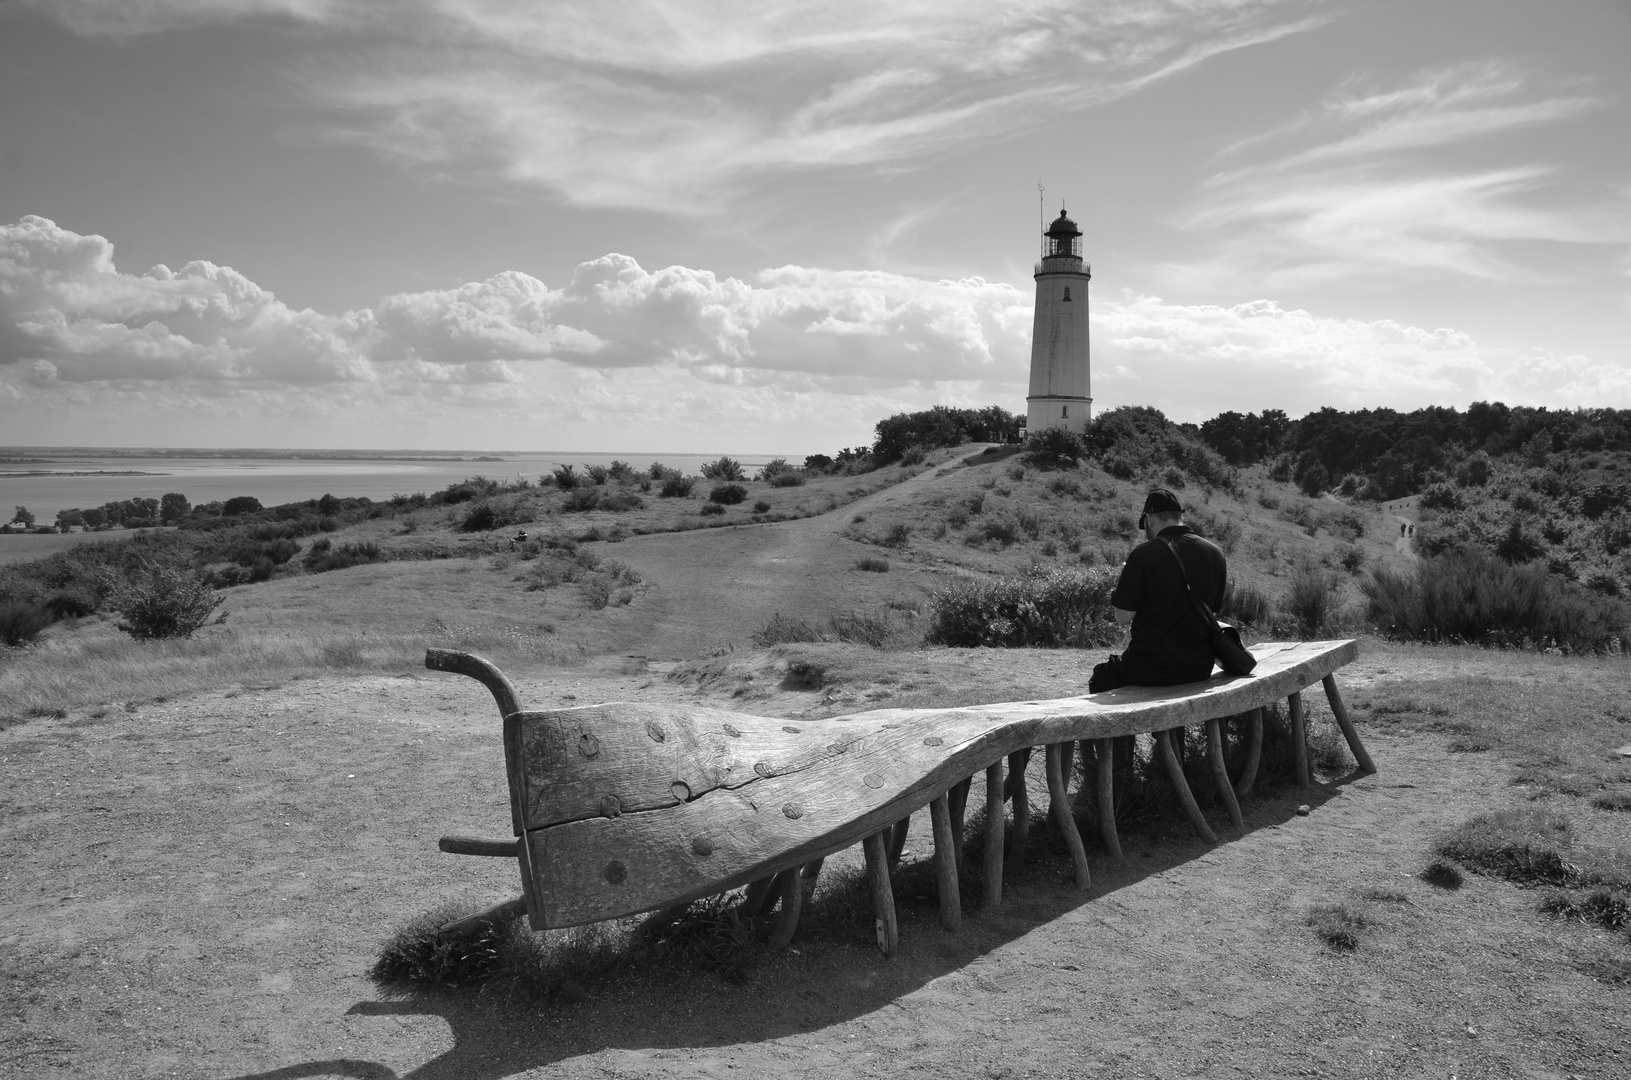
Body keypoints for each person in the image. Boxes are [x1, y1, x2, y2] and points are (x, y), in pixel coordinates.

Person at [1089, 488, 1228, 693]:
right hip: (1199, 667)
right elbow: (1212, 612)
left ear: (1150, 518)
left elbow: (1122, 617)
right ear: (1180, 516)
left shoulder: (1144, 554)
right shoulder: (1215, 553)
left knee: (1100, 678)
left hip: (1148, 668)